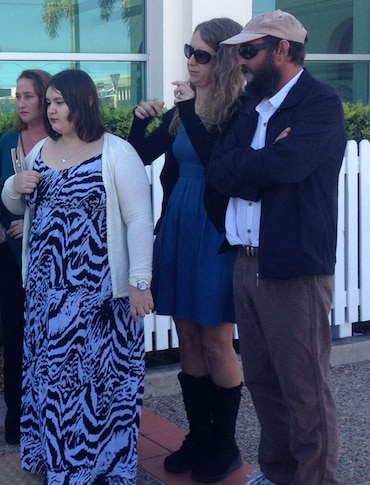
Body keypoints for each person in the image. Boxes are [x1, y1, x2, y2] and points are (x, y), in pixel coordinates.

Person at [208, 10, 346, 485]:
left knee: (304, 390)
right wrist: (261, 162)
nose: (241, 61)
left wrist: (255, 166)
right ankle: (279, 474)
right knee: (265, 384)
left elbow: (284, 169)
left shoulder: (320, 103)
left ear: (282, 50)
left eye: (249, 51)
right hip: (246, 264)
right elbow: (220, 171)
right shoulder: (251, 105)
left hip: (293, 268)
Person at [2, 69, 154, 484]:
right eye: (47, 102)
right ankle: (62, 464)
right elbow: (14, 206)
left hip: (99, 297)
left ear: (84, 103)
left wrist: (140, 281)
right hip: (46, 295)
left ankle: (100, 464)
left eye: (58, 102)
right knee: (53, 383)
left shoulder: (116, 152)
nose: (50, 110)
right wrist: (15, 186)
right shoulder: (39, 153)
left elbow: (139, 218)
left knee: (99, 385)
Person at [128, 18, 245, 483]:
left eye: (201, 54)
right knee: (188, 336)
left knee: (217, 339)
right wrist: (140, 122)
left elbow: (220, 167)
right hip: (178, 224)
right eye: (188, 52)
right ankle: (199, 437)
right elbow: (141, 156)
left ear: (225, 59)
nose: (191, 62)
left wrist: (190, 110)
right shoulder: (185, 109)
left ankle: (226, 444)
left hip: (216, 229)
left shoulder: (239, 108)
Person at [0, 69, 51, 446]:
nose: (22, 103)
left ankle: (46, 413)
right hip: (11, 260)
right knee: (15, 337)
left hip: (50, 260)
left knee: (47, 339)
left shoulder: (63, 141)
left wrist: (33, 228)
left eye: (30, 95)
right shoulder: (8, 141)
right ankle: (17, 414)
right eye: (18, 96)